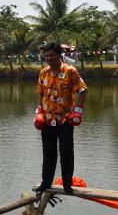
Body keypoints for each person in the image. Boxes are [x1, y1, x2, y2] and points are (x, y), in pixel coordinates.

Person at [34, 42, 88, 194]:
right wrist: (38, 111)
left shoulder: (71, 71)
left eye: (51, 55)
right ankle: (46, 183)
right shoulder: (43, 72)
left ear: (59, 55)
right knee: (48, 153)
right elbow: (40, 92)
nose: (48, 58)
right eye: (46, 56)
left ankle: (67, 185)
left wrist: (78, 110)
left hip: (65, 120)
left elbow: (83, 90)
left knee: (66, 153)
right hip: (47, 119)